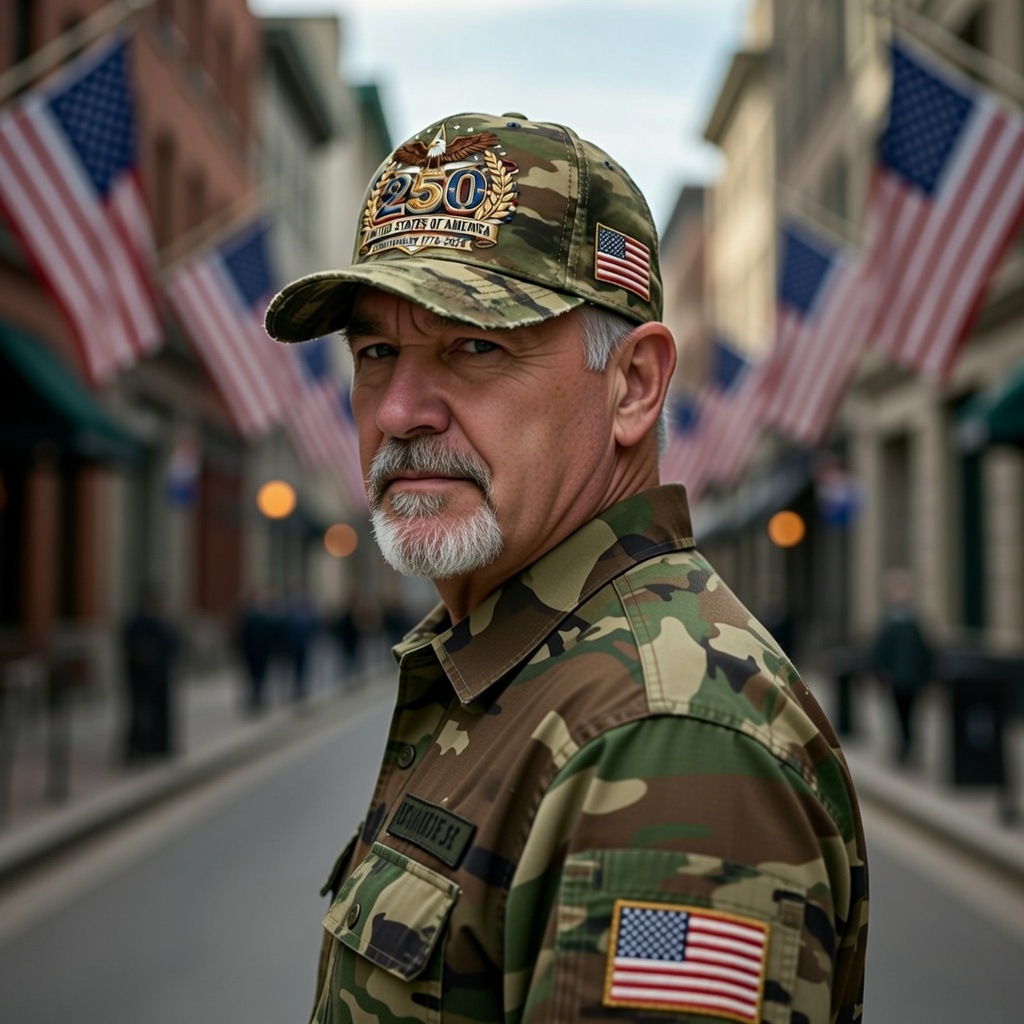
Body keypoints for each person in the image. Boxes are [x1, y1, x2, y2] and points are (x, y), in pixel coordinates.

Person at [265, 112, 869, 1024]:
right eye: (376, 352)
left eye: (475, 345)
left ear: (634, 386)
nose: (398, 411)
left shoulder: (667, 737)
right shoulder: (515, 660)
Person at [871, 568, 934, 766]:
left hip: (910, 679)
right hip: (897, 679)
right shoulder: (892, 621)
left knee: (909, 714)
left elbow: (925, 652)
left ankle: (907, 747)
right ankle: (904, 746)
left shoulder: (911, 621)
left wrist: (927, 677)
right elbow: (881, 651)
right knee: (900, 714)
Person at [121, 585, 180, 761]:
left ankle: (143, 747)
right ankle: (146, 747)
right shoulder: (150, 621)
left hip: (147, 673)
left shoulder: (145, 620)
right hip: (150, 674)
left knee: (142, 711)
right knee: (145, 711)